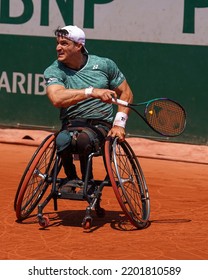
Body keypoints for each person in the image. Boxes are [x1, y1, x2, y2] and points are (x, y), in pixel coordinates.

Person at [44, 25, 133, 193]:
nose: (58, 47)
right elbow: (56, 98)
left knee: (84, 140)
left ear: (78, 46)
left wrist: (119, 124)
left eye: (64, 43)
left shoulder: (104, 65)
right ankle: (71, 177)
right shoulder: (54, 70)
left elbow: (126, 93)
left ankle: (88, 182)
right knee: (62, 140)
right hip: (71, 124)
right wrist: (91, 92)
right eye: (57, 43)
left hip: (101, 125)